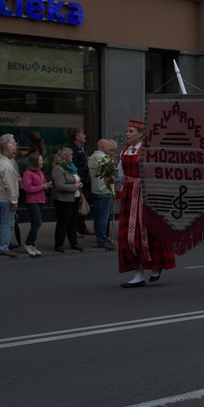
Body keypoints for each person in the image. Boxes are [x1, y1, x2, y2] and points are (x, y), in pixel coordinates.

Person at [117, 119, 175, 287]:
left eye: (130, 131)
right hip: (129, 197)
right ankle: (138, 274)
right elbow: (120, 176)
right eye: (127, 131)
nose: (127, 134)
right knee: (130, 236)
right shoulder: (124, 152)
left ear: (140, 134)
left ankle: (157, 265)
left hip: (146, 196)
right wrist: (112, 179)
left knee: (150, 233)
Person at [0, 134, 20, 257]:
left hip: (0, 197)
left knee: (3, 223)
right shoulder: (6, 165)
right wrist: (14, 201)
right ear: (5, 147)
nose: (15, 146)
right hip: (5, 199)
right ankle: (2, 247)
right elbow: (10, 186)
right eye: (12, 144)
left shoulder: (0, 162)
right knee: (7, 224)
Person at [51, 147, 84, 253]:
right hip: (63, 200)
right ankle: (59, 244)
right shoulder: (58, 169)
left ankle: (74, 243)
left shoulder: (71, 167)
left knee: (73, 222)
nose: (72, 157)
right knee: (63, 222)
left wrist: (79, 185)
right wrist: (75, 186)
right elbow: (60, 186)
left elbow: (76, 179)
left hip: (75, 198)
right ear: (65, 157)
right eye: (70, 155)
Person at [88, 139, 116, 250]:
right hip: (105, 190)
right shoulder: (105, 158)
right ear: (104, 147)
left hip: (95, 190)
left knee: (98, 217)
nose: (109, 149)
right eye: (108, 147)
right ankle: (102, 240)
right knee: (104, 218)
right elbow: (113, 175)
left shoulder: (91, 158)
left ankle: (99, 237)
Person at [22, 152, 50, 256]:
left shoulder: (40, 172)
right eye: (41, 160)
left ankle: (33, 244)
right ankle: (28, 243)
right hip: (32, 201)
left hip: (40, 200)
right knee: (38, 222)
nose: (42, 161)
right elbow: (27, 188)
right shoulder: (28, 173)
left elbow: (43, 183)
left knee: (35, 223)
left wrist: (46, 186)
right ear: (35, 162)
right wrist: (41, 187)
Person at [69, 128, 94, 236]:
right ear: (77, 136)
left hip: (84, 180)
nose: (85, 136)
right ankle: (74, 229)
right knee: (76, 205)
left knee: (82, 204)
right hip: (77, 180)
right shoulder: (72, 149)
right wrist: (85, 165)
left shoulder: (83, 149)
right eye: (82, 134)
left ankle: (81, 227)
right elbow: (73, 164)